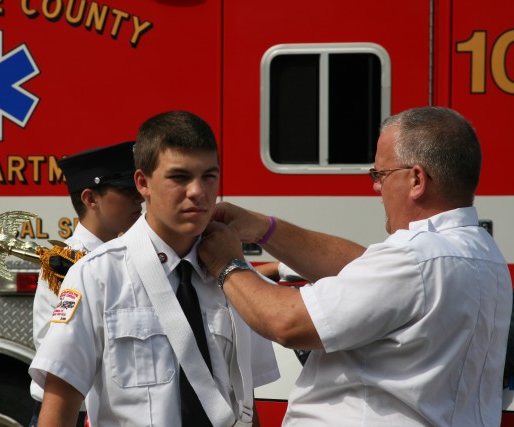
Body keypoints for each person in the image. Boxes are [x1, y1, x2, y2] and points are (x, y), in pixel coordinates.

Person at [198, 106, 512, 426]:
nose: (376, 187)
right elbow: (362, 269)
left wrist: (226, 264)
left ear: (417, 179)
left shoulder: (415, 261)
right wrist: (263, 229)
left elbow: (287, 322)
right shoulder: (480, 254)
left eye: (381, 174)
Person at [29, 110, 280, 427]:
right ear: (143, 183)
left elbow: (245, 401)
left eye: (209, 176)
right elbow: (58, 407)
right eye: (179, 177)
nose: (198, 191)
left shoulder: (236, 278)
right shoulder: (95, 276)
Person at [29, 141, 144, 427]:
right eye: (127, 191)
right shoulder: (66, 262)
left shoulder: (124, 251)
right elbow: (63, 354)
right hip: (73, 412)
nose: (139, 199)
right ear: (91, 199)